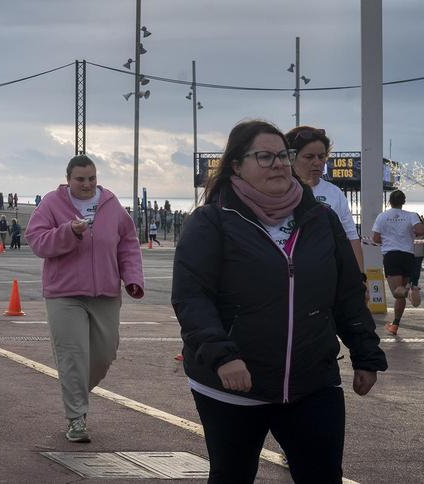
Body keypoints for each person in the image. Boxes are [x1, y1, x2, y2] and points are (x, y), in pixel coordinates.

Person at [172, 119, 386, 483]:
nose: (279, 164)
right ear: (237, 165)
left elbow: (347, 292)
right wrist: (223, 355)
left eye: (283, 156)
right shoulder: (212, 221)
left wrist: (365, 352)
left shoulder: (320, 218)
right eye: (265, 157)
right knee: (232, 475)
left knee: (322, 476)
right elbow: (192, 297)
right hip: (233, 385)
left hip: (312, 380)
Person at [25, 155, 144, 443]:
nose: (87, 184)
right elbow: (37, 241)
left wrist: (133, 278)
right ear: (68, 180)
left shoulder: (111, 204)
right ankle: (76, 418)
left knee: (104, 355)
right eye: (80, 179)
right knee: (72, 355)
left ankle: (75, 392)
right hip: (64, 294)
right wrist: (69, 232)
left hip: (105, 292)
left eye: (91, 178)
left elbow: (128, 243)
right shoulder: (51, 204)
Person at [285, 126, 364, 273]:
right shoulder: (277, 191)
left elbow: (351, 236)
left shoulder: (335, 193)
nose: (317, 162)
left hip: (326, 273)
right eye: (309, 157)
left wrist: (361, 277)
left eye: (321, 157)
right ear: (291, 157)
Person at [372, 190, 424, 334]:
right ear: (403, 202)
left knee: (397, 292)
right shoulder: (411, 215)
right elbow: (420, 230)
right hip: (408, 256)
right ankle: (395, 325)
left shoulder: (382, 217)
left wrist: (389, 239)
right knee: (400, 294)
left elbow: (375, 239)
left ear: (390, 201)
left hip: (391, 256)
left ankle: (409, 291)